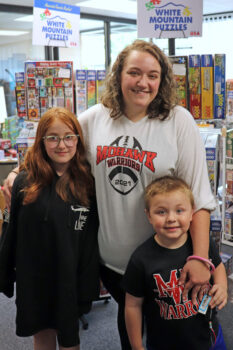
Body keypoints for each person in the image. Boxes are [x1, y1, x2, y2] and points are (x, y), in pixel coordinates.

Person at [3, 40, 216, 350]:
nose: (143, 82)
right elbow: (56, 143)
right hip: (113, 264)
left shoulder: (178, 121)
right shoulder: (95, 119)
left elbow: (199, 198)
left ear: (163, 80)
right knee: (130, 334)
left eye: (153, 75)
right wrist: (14, 172)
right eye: (134, 72)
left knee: (172, 335)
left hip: (165, 262)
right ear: (118, 75)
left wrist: (199, 258)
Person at [0, 107, 99, 350]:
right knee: (41, 334)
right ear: (41, 141)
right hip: (34, 278)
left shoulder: (87, 184)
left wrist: (88, 286)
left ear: (78, 139)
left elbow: (90, 241)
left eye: (68, 137)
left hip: (69, 276)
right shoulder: (25, 182)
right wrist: (5, 274)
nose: (61, 144)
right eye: (52, 137)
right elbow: (11, 233)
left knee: (69, 337)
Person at [122, 176, 227, 350]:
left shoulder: (201, 243)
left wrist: (222, 286)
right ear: (148, 215)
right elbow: (132, 305)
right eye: (161, 212)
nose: (171, 218)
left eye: (179, 211)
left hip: (208, 337)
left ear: (192, 211)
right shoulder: (140, 259)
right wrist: (136, 346)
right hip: (164, 342)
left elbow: (217, 266)